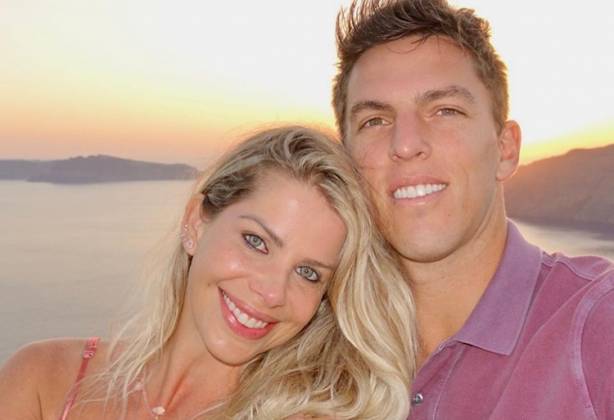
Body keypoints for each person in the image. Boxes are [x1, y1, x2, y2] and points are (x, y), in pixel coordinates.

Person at [0, 126, 418, 419]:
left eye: (308, 273)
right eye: (256, 242)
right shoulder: (43, 379)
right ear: (196, 223)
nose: (273, 292)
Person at [332, 1, 614, 419]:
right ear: (345, 162)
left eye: (445, 110)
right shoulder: (315, 349)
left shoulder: (597, 327)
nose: (405, 144)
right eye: (375, 120)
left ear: (505, 149)